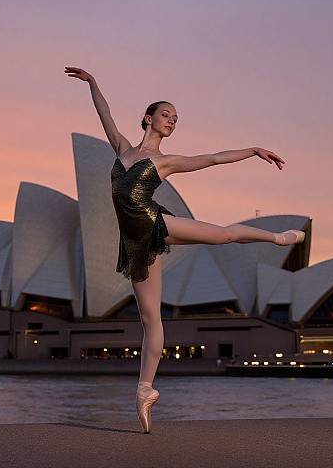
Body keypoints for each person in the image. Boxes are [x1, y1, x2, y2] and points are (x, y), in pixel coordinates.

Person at [64, 66, 305, 433]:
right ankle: (144, 391)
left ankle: (278, 239)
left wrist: (253, 150)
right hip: (135, 243)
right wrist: (93, 83)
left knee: (222, 235)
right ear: (149, 118)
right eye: (166, 115)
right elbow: (105, 114)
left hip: (155, 224)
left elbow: (212, 158)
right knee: (149, 320)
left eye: (175, 119)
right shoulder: (123, 150)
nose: (171, 122)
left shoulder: (165, 162)